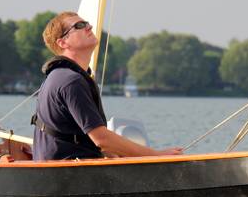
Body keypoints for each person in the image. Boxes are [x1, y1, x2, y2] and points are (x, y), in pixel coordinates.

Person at [32, 11, 183, 161]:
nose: (89, 27)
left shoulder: (63, 76)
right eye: (79, 25)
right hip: (69, 174)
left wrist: (117, 157)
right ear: (63, 42)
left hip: (66, 170)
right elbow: (102, 140)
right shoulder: (71, 81)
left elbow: (89, 139)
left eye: (87, 23)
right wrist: (156, 155)